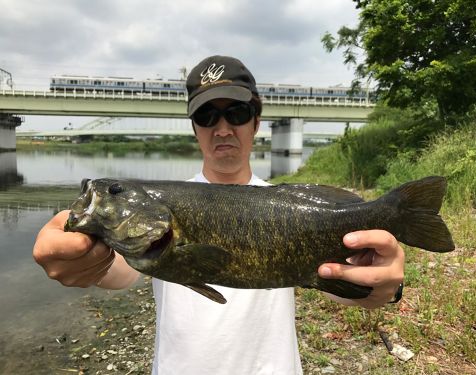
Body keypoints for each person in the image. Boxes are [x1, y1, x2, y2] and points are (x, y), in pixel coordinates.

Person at [33, 55, 405, 375]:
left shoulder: (286, 203)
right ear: (195, 128)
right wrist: (87, 263)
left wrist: (378, 286)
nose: (222, 128)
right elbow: (120, 270)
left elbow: (332, 278)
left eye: (237, 113)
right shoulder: (164, 215)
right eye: (207, 115)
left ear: (256, 122)